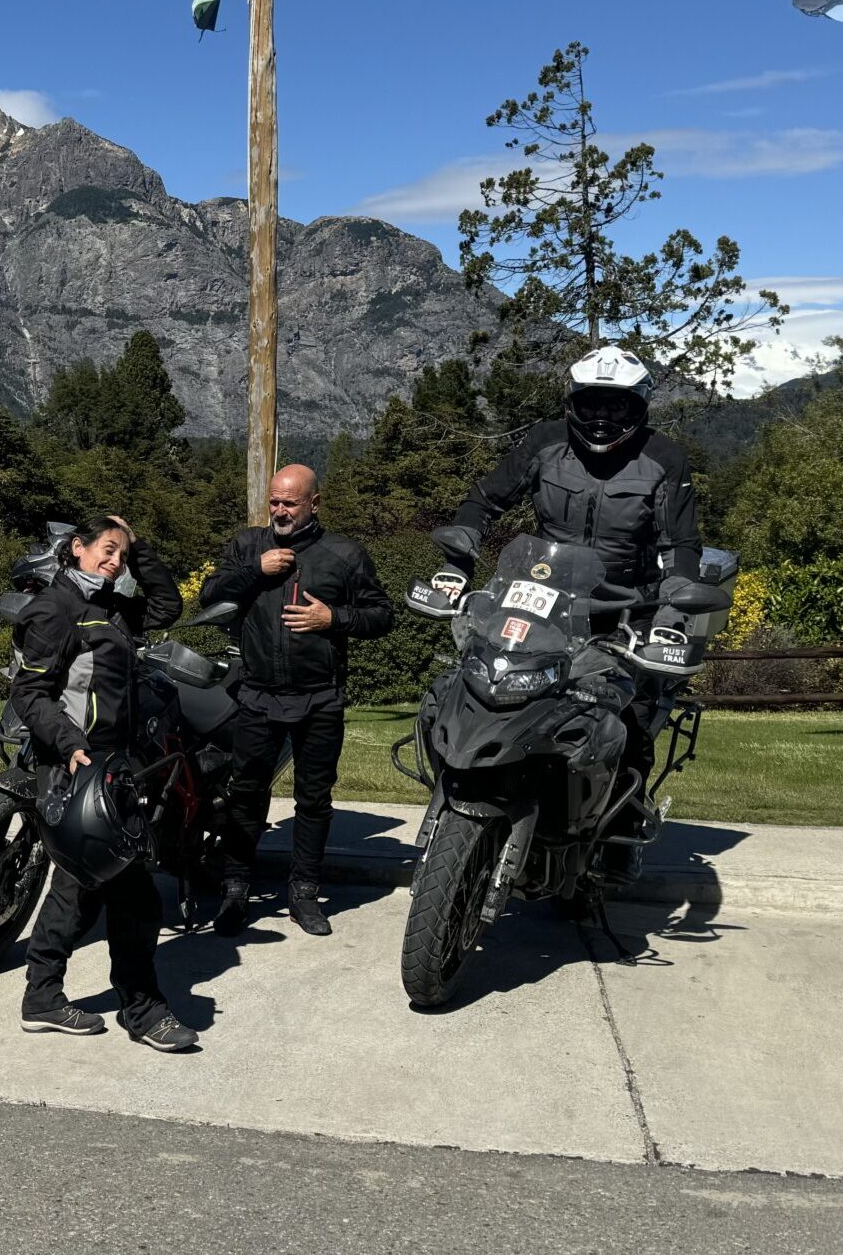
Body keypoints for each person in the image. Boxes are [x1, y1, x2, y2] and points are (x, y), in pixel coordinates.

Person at [437, 346, 702, 861]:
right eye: (592, 403)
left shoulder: (664, 458)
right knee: (479, 685)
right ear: (572, 402)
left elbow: (681, 547)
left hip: (624, 612)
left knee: (630, 718)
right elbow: (485, 500)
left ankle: (619, 830)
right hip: (543, 601)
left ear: (639, 406)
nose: (603, 416)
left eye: (617, 405)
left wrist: (671, 618)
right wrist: (457, 566)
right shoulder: (545, 442)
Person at [10, 514, 198, 1052]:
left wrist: (140, 547)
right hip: (76, 766)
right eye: (107, 550)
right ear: (78, 547)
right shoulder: (54, 609)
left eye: (122, 555)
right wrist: (71, 745)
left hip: (115, 767)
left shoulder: (113, 606)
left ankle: (43, 997)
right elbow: (30, 693)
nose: (114, 562)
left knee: (80, 890)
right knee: (129, 894)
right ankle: (142, 1010)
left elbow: (167, 607)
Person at [202, 464, 394, 937]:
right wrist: (255, 570)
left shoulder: (344, 554)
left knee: (313, 799)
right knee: (246, 795)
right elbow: (208, 595)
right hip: (257, 694)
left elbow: (381, 615)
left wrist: (335, 618)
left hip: (319, 698)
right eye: (274, 501)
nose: (280, 510)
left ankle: (304, 893)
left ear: (314, 503)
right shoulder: (248, 546)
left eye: (290, 502)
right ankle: (235, 888)